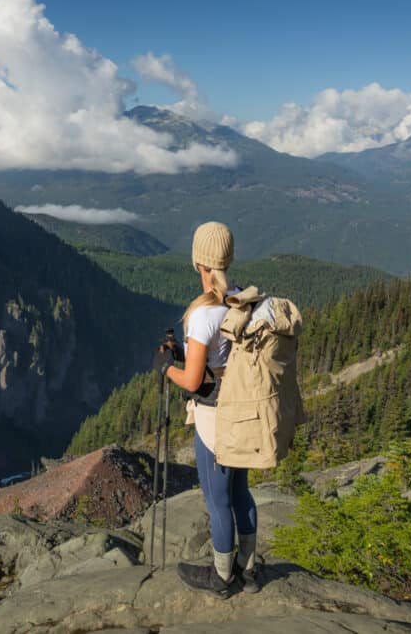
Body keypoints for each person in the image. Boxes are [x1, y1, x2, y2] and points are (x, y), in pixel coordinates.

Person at [152, 221, 260, 598]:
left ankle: (221, 577)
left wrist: (167, 367)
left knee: (218, 501)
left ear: (199, 263)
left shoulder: (202, 315)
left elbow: (195, 382)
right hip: (243, 412)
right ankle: (247, 568)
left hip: (215, 420)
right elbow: (222, 361)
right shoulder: (241, 299)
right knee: (241, 493)